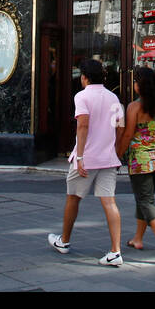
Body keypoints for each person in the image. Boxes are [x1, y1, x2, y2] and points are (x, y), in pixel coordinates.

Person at [48, 57, 125, 266]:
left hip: (86, 159)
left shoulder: (81, 97)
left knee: (73, 198)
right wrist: (115, 151)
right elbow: (120, 127)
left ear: (85, 77)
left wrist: (80, 157)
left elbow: (82, 126)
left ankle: (64, 241)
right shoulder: (114, 99)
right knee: (110, 202)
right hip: (108, 159)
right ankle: (115, 251)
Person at [114, 66, 155, 264]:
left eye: (136, 81)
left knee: (146, 200)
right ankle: (138, 238)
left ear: (141, 86)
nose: (134, 84)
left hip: (140, 161)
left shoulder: (134, 108)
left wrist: (118, 155)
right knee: (145, 197)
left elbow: (128, 134)